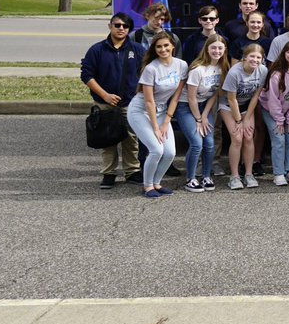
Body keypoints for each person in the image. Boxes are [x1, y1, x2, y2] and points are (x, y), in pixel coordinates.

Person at [81, 13, 146, 189]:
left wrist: (139, 96)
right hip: (105, 103)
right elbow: (86, 75)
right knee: (107, 139)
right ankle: (109, 173)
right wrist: (105, 95)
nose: (121, 29)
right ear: (110, 26)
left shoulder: (137, 50)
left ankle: (132, 171)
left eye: (125, 26)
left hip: (130, 103)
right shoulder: (97, 50)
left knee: (131, 139)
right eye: (117, 25)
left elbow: (146, 75)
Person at [125, 32, 188, 198]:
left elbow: (176, 97)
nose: (163, 49)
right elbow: (149, 102)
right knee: (156, 150)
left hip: (161, 112)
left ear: (173, 46)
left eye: (166, 45)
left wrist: (166, 121)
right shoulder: (151, 69)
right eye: (159, 46)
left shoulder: (182, 65)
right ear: (154, 49)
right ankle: (147, 186)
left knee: (170, 153)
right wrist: (155, 128)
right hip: (140, 111)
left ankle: (157, 183)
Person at [173, 33, 229, 193]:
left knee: (210, 143)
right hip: (186, 107)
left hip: (204, 106)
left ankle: (206, 176)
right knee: (197, 143)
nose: (217, 51)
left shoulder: (222, 68)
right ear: (207, 49)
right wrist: (198, 119)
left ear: (224, 49)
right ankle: (190, 179)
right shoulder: (198, 69)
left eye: (220, 48)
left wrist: (205, 116)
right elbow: (190, 97)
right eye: (213, 48)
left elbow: (214, 94)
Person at [222, 44, 268, 190]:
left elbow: (256, 96)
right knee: (237, 138)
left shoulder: (263, 70)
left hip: (246, 106)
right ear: (245, 57)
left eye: (258, 57)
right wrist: (239, 121)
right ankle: (234, 176)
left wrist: (247, 118)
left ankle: (248, 174)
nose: (255, 60)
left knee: (249, 136)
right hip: (229, 106)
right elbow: (231, 99)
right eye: (252, 56)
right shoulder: (235, 72)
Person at [261, 40, 289, 186]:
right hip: (272, 111)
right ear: (284, 53)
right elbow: (272, 99)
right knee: (279, 140)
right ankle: (278, 173)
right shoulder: (276, 74)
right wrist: (279, 119)